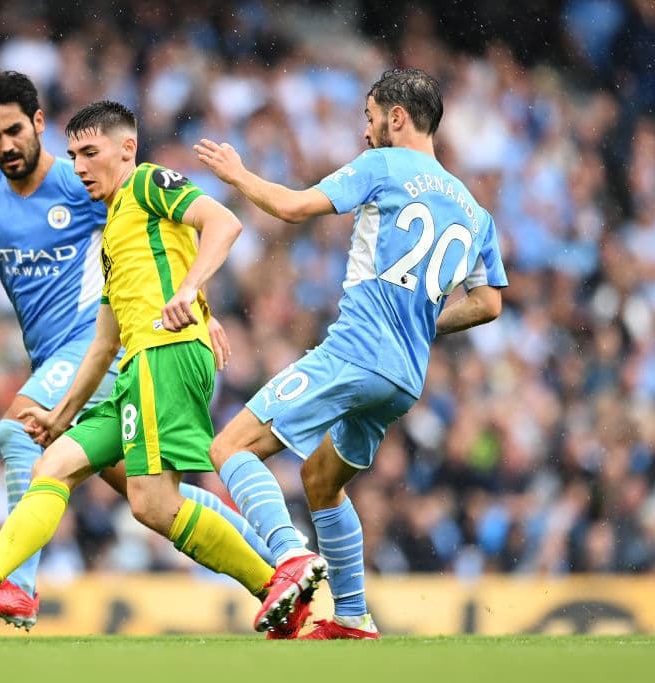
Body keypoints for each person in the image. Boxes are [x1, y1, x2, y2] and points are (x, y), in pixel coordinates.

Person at [0, 99, 326, 634]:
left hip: (165, 355)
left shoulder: (149, 182)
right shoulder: (111, 235)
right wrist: (61, 414)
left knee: (153, 502)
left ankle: (274, 580)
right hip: (133, 366)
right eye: (73, 156)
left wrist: (192, 292)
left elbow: (223, 222)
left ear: (127, 149)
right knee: (53, 465)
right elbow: (103, 344)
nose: (79, 166)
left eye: (90, 153)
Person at [194, 67, 507, 639]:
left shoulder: (381, 165)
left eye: (369, 117)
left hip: (356, 353)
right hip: (404, 379)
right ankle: (353, 616)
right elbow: (488, 303)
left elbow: (292, 207)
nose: (365, 130)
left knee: (229, 446)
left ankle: (290, 556)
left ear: (396, 118)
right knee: (321, 480)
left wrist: (238, 175)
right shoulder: (474, 210)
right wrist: (424, 323)